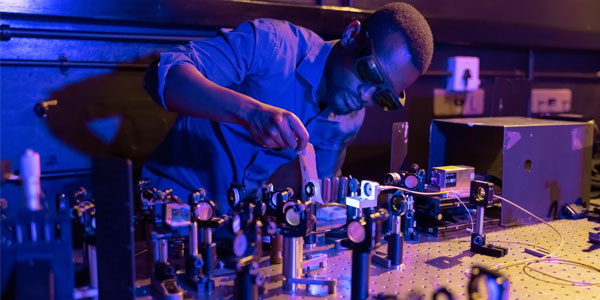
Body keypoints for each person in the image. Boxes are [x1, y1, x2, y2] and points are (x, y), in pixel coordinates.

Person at [142, 2, 433, 213]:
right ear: (351, 35)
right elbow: (161, 76)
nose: (366, 96)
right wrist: (249, 113)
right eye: (370, 73)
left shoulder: (350, 117)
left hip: (239, 231)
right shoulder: (272, 44)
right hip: (170, 209)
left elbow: (316, 195)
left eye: (384, 97)